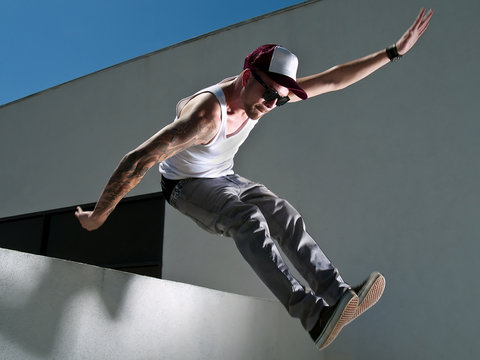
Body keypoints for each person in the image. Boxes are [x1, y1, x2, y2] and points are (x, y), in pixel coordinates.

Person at [75, 8, 433, 350]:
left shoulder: (266, 94)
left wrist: (393, 52)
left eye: (279, 99)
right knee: (247, 220)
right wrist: (99, 216)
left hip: (224, 176)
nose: (271, 104)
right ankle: (313, 317)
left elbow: (333, 79)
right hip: (186, 187)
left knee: (284, 214)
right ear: (247, 77)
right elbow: (138, 161)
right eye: (268, 94)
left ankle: (338, 296)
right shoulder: (204, 118)